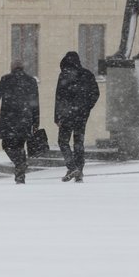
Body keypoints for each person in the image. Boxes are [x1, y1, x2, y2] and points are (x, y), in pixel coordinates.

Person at [0, 61, 40, 184]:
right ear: (23, 67)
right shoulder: (31, 81)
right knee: (20, 145)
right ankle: (20, 174)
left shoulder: (6, 79)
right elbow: (35, 103)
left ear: (12, 68)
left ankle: (20, 164)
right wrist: (36, 121)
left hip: (9, 118)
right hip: (25, 118)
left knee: (7, 144)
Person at [54, 51, 100, 183]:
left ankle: (72, 167)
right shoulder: (87, 74)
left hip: (67, 115)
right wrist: (86, 107)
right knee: (78, 142)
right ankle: (79, 171)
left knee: (63, 141)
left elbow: (59, 97)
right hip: (81, 115)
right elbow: (95, 93)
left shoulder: (64, 75)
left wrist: (57, 117)